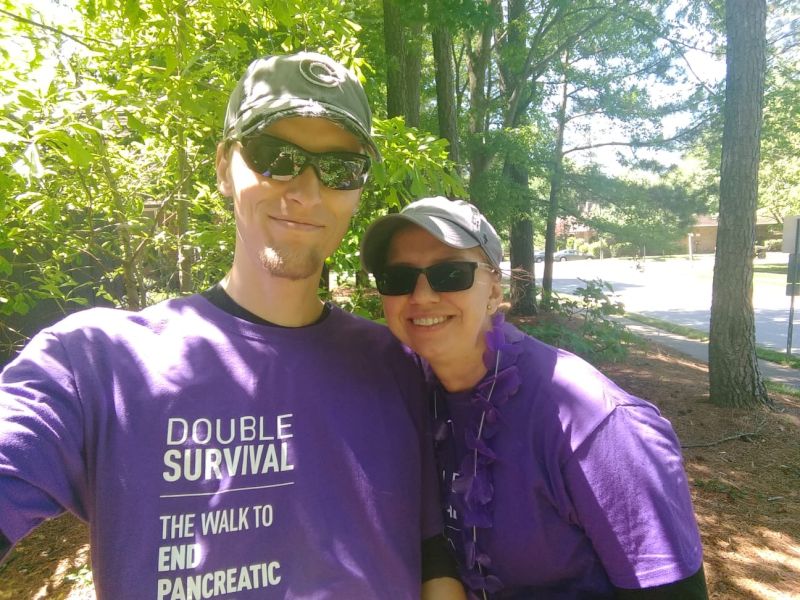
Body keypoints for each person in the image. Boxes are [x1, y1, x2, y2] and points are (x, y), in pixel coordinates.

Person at [0, 53, 465, 599]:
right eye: (275, 156)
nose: (306, 192)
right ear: (224, 167)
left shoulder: (397, 363)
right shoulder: (98, 365)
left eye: (340, 168)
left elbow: (431, 550)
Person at [360, 196, 708, 599]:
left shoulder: (594, 424)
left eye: (450, 273)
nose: (421, 296)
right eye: (398, 278)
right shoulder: (412, 394)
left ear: (494, 290)